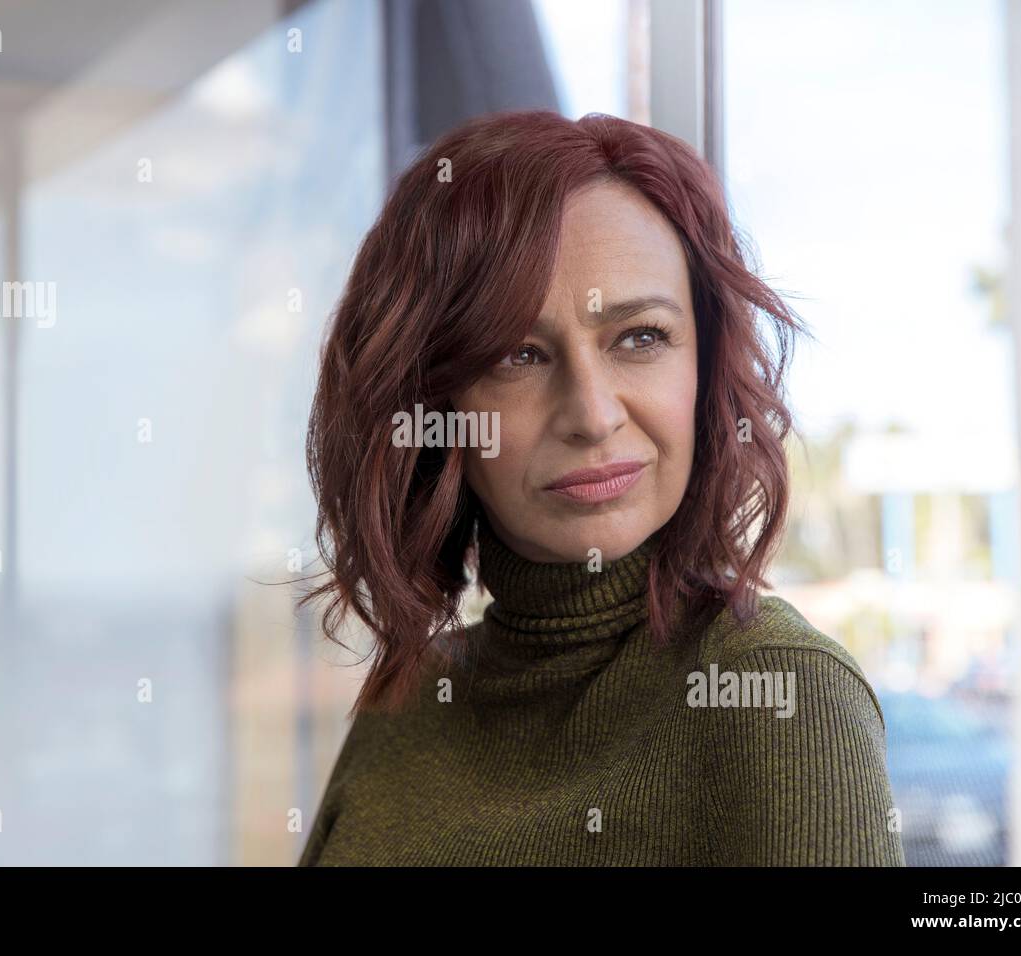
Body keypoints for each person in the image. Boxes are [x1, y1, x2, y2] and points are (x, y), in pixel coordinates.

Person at [297, 109, 904, 866]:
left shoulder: (781, 695)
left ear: (704, 365)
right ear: (430, 402)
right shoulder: (407, 700)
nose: (591, 414)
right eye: (517, 354)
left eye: (641, 338)